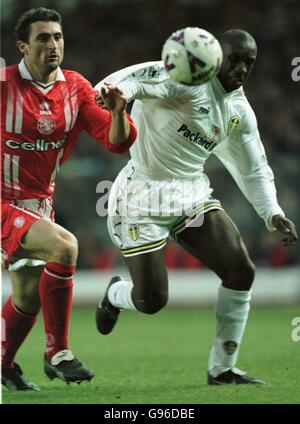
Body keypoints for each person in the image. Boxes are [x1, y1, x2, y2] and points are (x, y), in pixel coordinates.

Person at [95, 29, 298, 385]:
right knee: (152, 301)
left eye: (249, 62)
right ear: (217, 57)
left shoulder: (238, 111)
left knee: (241, 271)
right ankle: (115, 293)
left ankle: (223, 368)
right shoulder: (181, 78)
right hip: (142, 196)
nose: (242, 68)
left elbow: (252, 167)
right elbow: (130, 81)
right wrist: (117, 95)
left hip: (191, 194)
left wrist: (272, 212)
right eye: (235, 59)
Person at [1, 7, 137, 391]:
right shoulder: (3, 83)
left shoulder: (76, 88)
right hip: (1, 201)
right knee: (65, 246)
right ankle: (57, 353)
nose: (53, 45)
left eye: (57, 37)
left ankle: (4, 364)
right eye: (43, 38)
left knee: (27, 297)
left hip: (38, 205)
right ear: (23, 46)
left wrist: (118, 113)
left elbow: (117, 142)